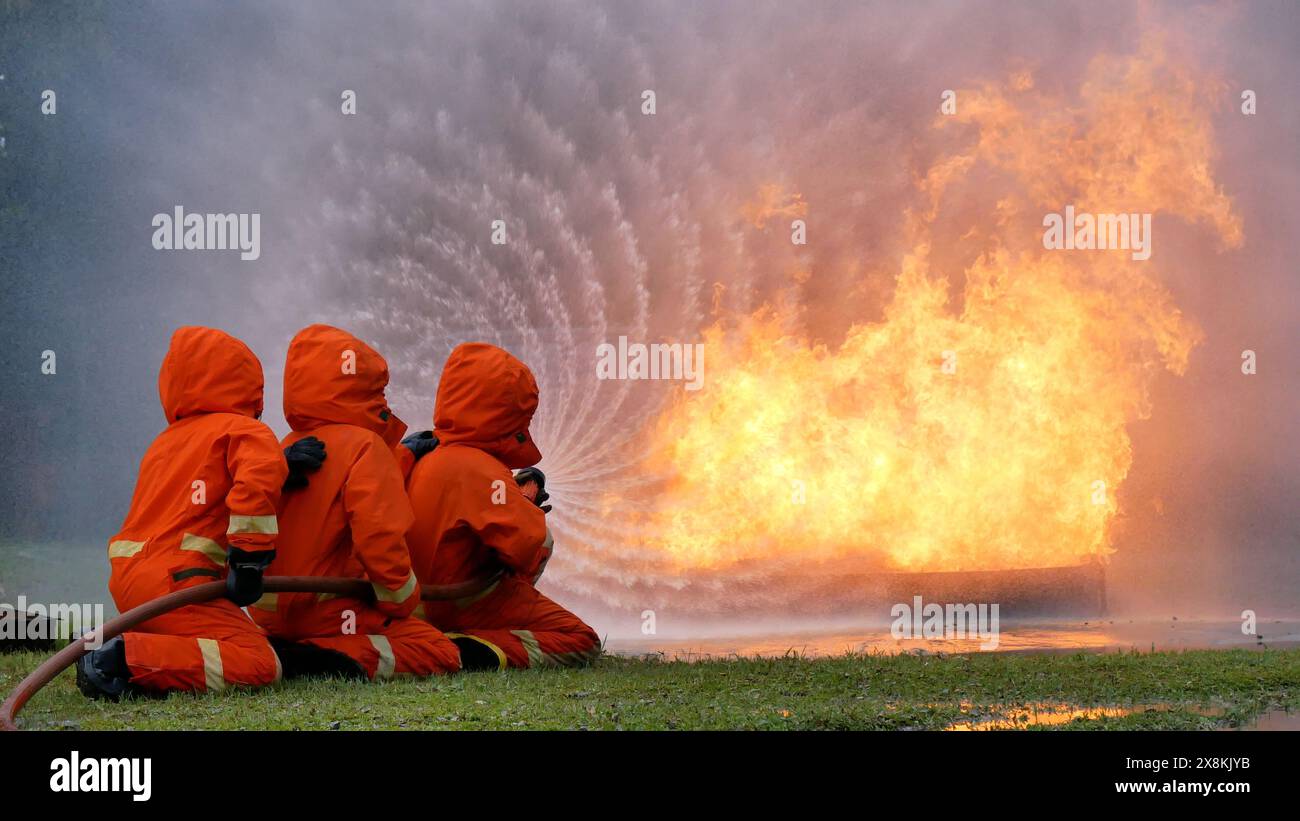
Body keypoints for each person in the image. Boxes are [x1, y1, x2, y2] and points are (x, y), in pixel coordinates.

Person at [78, 326, 298, 699]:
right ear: (248, 385)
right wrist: (249, 563)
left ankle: (123, 644)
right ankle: (121, 659)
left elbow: (206, 489)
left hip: (131, 584)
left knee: (205, 639)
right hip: (181, 583)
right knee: (258, 661)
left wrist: (285, 465)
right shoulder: (246, 431)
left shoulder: (164, 443)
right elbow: (255, 486)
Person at [249, 324, 460, 680]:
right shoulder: (366, 446)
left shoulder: (282, 449)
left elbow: (331, 483)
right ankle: (317, 660)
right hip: (329, 613)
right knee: (438, 650)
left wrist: (404, 454)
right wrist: (401, 602)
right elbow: (378, 536)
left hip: (270, 617)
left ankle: (288, 651)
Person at [402, 342, 600, 670]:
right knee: (580, 639)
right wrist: (527, 508)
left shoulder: (422, 457)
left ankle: (444, 638)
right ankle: (468, 650)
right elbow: (524, 549)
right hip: (466, 606)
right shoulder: (482, 469)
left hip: (417, 606)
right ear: (507, 412)